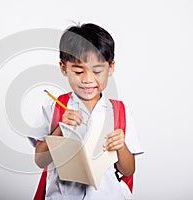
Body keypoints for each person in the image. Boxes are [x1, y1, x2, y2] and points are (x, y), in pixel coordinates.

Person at [29, 23, 143, 199]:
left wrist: (121, 147)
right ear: (63, 68)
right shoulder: (53, 108)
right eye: (79, 71)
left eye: (97, 71)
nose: (88, 80)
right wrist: (60, 129)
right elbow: (40, 161)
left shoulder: (119, 112)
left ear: (111, 67)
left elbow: (128, 171)